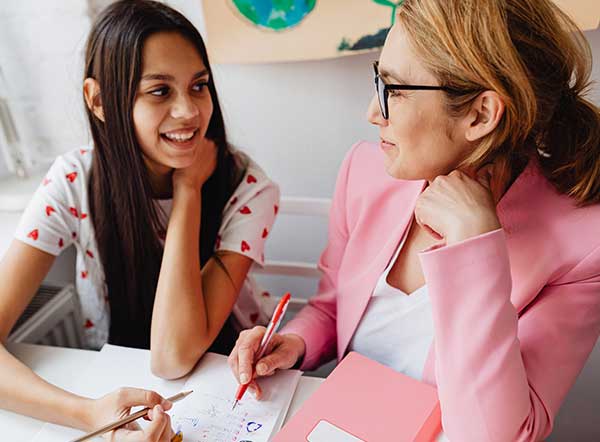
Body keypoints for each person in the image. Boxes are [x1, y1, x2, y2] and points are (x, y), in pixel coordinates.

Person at [228, 0, 600, 440]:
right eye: (378, 80)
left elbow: (498, 436)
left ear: (481, 114)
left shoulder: (583, 247)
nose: (372, 111)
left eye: (395, 90)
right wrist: (295, 344)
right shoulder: (365, 171)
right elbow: (333, 307)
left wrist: (475, 248)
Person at [0, 0, 279, 439]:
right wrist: (89, 414)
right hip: (118, 386)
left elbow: (173, 356)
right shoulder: (74, 182)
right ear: (99, 100)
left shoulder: (247, 187)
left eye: (199, 85)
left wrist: (188, 191)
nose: (189, 111)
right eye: (160, 91)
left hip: (231, 384)